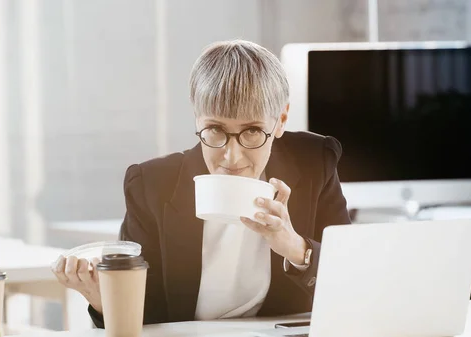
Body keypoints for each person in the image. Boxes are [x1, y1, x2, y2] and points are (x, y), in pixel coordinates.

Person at [51, 39, 351, 326]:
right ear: (197, 119)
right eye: (215, 129)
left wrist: (295, 247)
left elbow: (353, 283)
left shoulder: (313, 163)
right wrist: (104, 301)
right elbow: (148, 317)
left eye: (252, 132)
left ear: (281, 120)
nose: (232, 158)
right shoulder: (151, 185)